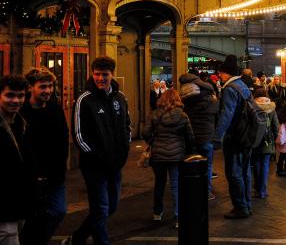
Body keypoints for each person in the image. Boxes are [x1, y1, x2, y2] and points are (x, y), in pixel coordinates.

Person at [66, 56, 131, 245]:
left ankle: (77, 238)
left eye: (105, 74)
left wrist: (123, 151)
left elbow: (127, 125)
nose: (100, 78)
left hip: (115, 165)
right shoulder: (84, 100)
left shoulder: (121, 98)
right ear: (92, 74)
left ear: (112, 74)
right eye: (97, 74)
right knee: (101, 208)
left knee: (111, 207)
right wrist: (96, 157)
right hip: (93, 167)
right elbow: (78, 134)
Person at [20, 68, 68, 245]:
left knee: (58, 211)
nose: (48, 90)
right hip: (30, 176)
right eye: (42, 86)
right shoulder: (22, 111)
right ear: (31, 88)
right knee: (31, 217)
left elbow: (63, 139)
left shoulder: (55, 109)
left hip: (55, 175)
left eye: (50, 86)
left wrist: (59, 169)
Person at [142, 88, 194, 228]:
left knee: (159, 183)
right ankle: (178, 216)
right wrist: (188, 151)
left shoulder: (154, 114)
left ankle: (157, 213)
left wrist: (153, 141)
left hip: (158, 155)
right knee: (176, 185)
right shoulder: (183, 116)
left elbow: (145, 132)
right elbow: (189, 136)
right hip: (176, 155)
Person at [215, 55, 254, 219]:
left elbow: (226, 115)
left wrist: (217, 136)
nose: (219, 76)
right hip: (247, 135)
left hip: (235, 137)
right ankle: (247, 204)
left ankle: (240, 207)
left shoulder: (230, 89)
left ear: (227, 73)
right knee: (245, 171)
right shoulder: (243, 86)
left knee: (234, 173)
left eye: (221, 73)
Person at [0, 75, 33, 245]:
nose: (16, 100)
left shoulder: (21, 124)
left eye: (20, 96)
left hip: (16, 206)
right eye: (10, 95)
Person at [179, 72, 217, 200]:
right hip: (207, 137)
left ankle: (192, 190)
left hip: (191, 137)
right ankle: (206, 192)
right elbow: (218, 117)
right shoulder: (211, 100)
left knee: (191, 165)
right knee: (207, 165)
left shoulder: (184, 101)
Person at [251, 88, 279, 199]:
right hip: (268, 140)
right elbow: (276, 126)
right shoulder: (271, 108)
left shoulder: (252, 106)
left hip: (255, 140)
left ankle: (257, 188)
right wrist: (274, 137)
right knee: (265, 165)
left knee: (256, 163)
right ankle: (263, 190)